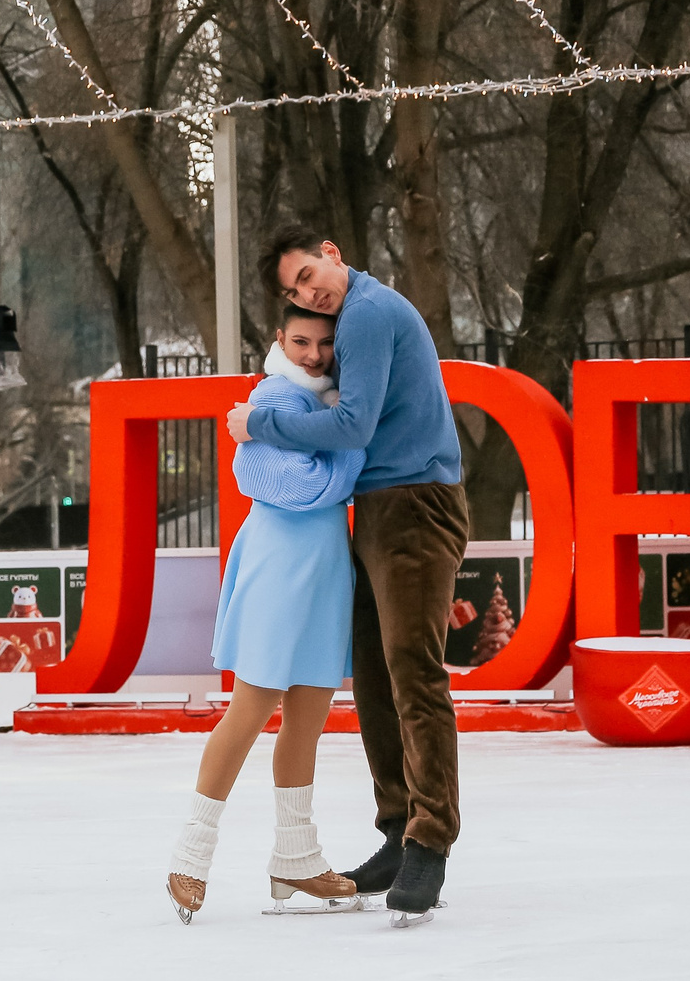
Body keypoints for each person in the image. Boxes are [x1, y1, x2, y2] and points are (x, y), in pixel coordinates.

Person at [228, 227, 468, 926]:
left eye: (309, 274)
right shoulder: (356, 315)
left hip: (416, 502)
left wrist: (260, 424)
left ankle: (429, 840)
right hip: (383, 506)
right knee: (374, 675)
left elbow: (355, 426)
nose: (309, 294)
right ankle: (398, 831)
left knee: (412, 672)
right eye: (295, 292)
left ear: (331, 252)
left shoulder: (366, 311)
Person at [166, 308, 368, 923]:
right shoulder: (275, 397)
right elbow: (300, 488)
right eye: (300, 340)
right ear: (280, 341)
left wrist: (340, 441)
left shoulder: (327, 407)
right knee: (250, 710)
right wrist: (351, 449)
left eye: (325, 343)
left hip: (324, 568)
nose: (313, 353)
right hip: (279, 567)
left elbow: (321, 477)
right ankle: (190, 856)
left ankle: (296, 856)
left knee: (307, 720)